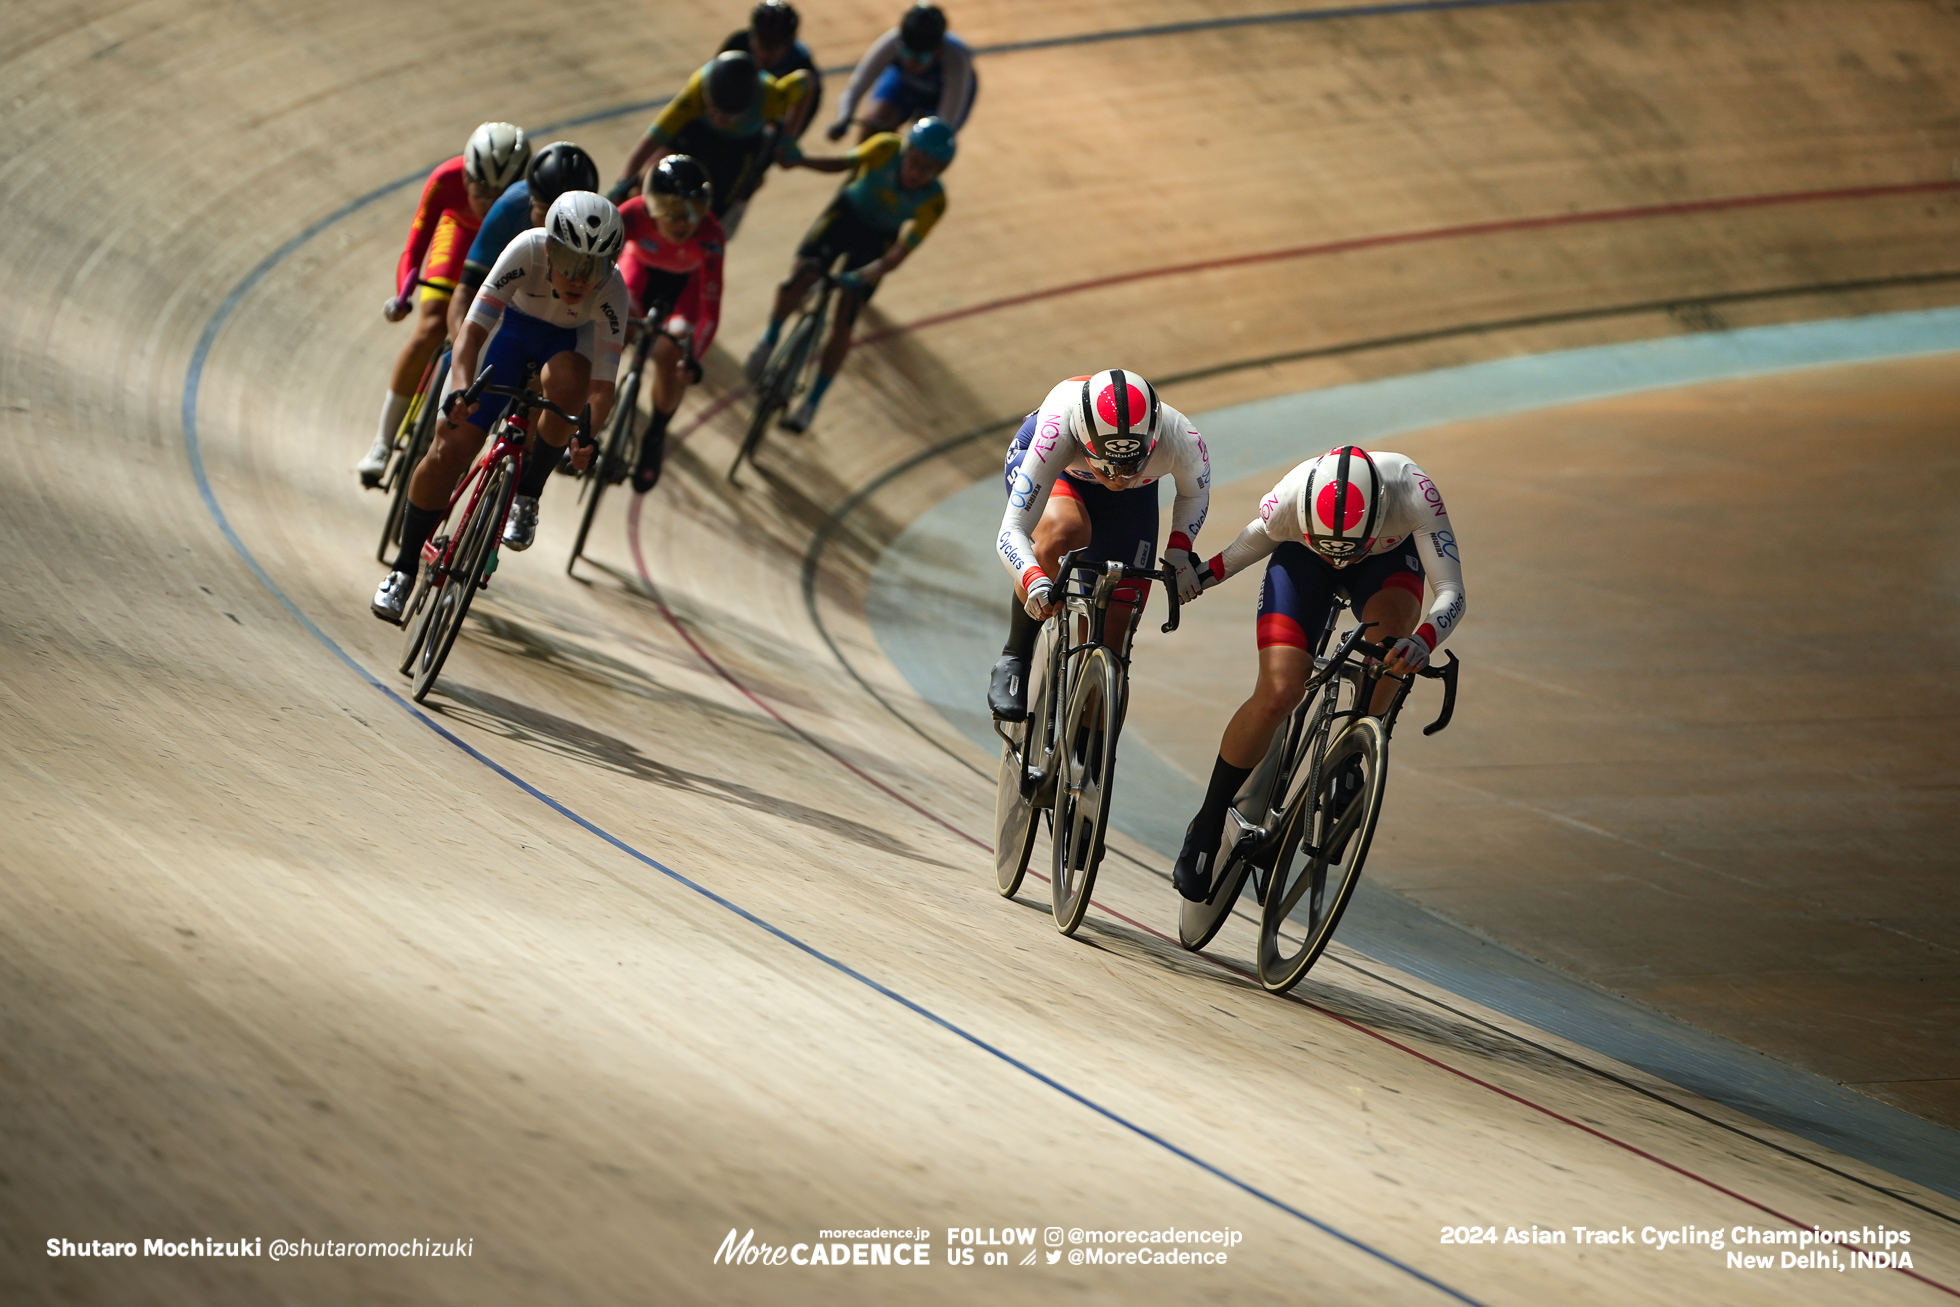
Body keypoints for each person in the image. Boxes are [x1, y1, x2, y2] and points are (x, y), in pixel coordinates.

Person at [1167, 445, 1467, 901]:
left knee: (1388, 654)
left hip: (1386, 561)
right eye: (1335, 548)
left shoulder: (1412, 491)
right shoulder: (1289, 498)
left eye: (1350, 548)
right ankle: (1208, 819)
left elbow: (1450, 590)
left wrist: (1422, 640)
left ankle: (1352, 749)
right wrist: (1199, 578)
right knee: (1280, 690)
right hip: (1303, 560)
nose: (1342, 558)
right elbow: (1245, 549)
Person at [371, 193, 628, 622]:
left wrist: (588, 435)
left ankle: (528, 493)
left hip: (564, 346)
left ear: (611, 266)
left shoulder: (613, 291)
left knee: (571, 384)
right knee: (448, 452)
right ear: (549, 247)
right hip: (505, 335)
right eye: (568, 259)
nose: (579, 278)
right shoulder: (525, 248)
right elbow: (470, 334)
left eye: (594, 267)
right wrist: (459, 392)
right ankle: (403, 568)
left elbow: (602, 386)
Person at [987, 370, 1212, 719]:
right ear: (1081, 439)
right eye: (1107, 467)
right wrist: (1033, 578)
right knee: (1065, 531)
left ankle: (1088, 749)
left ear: (1152, 442)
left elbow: (1194, 494)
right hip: (1060, 477)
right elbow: (1012, 530)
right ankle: (1015, 653)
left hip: (1132, 504)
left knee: (1115, 638)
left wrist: (1179, 553)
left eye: (1130, 465)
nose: (1118, 477)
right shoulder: (1057, 431)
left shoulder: (1181, 437)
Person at [742, 117, 955, 433]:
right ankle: (768, 339)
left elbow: (899, 253)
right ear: (904, 151)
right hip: (846, 216)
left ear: (939, 172)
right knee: (800, 278)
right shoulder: (885, 147)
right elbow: (841, 163)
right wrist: (802, 161)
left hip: (876, 243)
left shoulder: (935, 201)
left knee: (845, 320)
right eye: (913, 162)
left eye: (927, 169)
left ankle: (811, 405)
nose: (915, 173)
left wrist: (870, 273)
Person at [358, 122, 530, 484]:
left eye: (499, 195)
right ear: (465, 175)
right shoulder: (445, 179)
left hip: (498, 248)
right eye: (480, 189)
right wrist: (404, 293)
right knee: (432, 327)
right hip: (458, 236)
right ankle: (383, 442)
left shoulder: (526, 200)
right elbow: (416, 244)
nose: (487, 201)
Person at [609, 50, 811, 239]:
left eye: (729, 115)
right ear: (707, 97)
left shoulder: (771, 97)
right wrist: (624, 182)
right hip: (699, 132)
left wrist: (789, 138)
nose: (719, 120)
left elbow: (808, 82)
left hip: (740, 146)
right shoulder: (696, 92)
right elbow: (651, 141)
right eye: (714, 110)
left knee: (716, 210)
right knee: (655, 173)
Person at [615, 155, 725, 493]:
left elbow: (710, 308)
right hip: (638, 275)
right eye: (674, 214)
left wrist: (693, 358)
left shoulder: (711, 236)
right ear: (652, 209)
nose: (683, 224)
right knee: (614, 330)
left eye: (693, 214)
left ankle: (656, 433)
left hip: (684, 290)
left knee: (669, 356)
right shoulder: (631, 214)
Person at [445, 141, 603, 345]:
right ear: (531, 201)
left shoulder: (599, 226)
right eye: (545, 213)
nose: (552, 227)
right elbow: (467, 290)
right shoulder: (510, 207)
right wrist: (460, 345)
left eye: (565, 222)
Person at [827, 4, 976, 143]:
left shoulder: (956, 60)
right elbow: (857, 86)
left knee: (926, 148)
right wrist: (843, 118)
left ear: (938, 51)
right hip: (903, 84)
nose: (911, 63)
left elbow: (946, 121)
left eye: (921, 57)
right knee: (876, 121)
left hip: (941, 97)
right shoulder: (893, 41)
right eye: (906, 53)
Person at [720, 1, 822, 142]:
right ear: (752, 36)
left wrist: (787, 141)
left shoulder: (801, 63)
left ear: (790, 44)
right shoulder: (737, 44)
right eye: (761, 45)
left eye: (774, 48)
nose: (764, 55)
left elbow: (808, 109)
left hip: (765, 126)